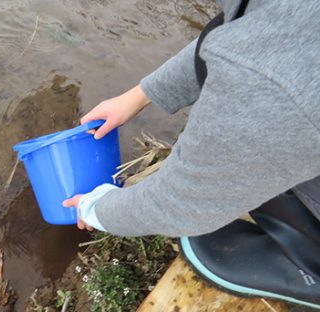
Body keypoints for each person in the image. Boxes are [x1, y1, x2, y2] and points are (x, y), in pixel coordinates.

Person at [63, 0, 320, 308]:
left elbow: (180, 201)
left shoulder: (272, 83)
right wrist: (139, 95)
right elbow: (240, 33)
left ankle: (311, 273)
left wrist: (96, 208)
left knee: (237, 168)